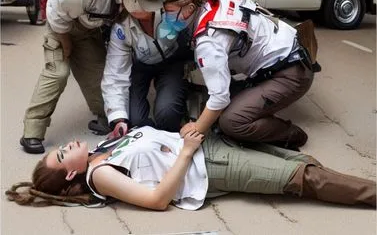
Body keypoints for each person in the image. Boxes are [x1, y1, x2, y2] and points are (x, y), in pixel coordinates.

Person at [20, 0, 170, 155]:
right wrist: (65, 41)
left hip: (90, 28)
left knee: (99, 81)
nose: (145, 14)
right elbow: (54, 5)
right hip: (63, 23)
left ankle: (103, 117)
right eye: (141, 8)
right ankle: (32, 131)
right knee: (58, 73)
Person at [6, 126, 376, 209]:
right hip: (211, 164)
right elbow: (155, 199)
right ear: (70, 174)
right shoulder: (98, 174)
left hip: (210, 143)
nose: (64, 146)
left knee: (303, 164)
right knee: (304, 178)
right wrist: (186, 151)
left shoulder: (102, 150)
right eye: (59, 155)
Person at [160, 0, 317, 149]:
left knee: (231, 122)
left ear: (190, 8)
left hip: (291, 73)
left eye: (169, 11)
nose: (166, 15)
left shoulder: (208, 42)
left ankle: (291, 135)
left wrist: (197, 129)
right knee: (213, 108)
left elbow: (219, 98)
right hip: (290, 45)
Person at [101, 0, 199, 138]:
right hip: (141, 65)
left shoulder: (171, 4)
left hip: (172, 61)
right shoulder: (121, 27)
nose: (147, 12)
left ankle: (181, 99)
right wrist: (118, 119)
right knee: (135, 122)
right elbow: (115, 74)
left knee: (167, 116)